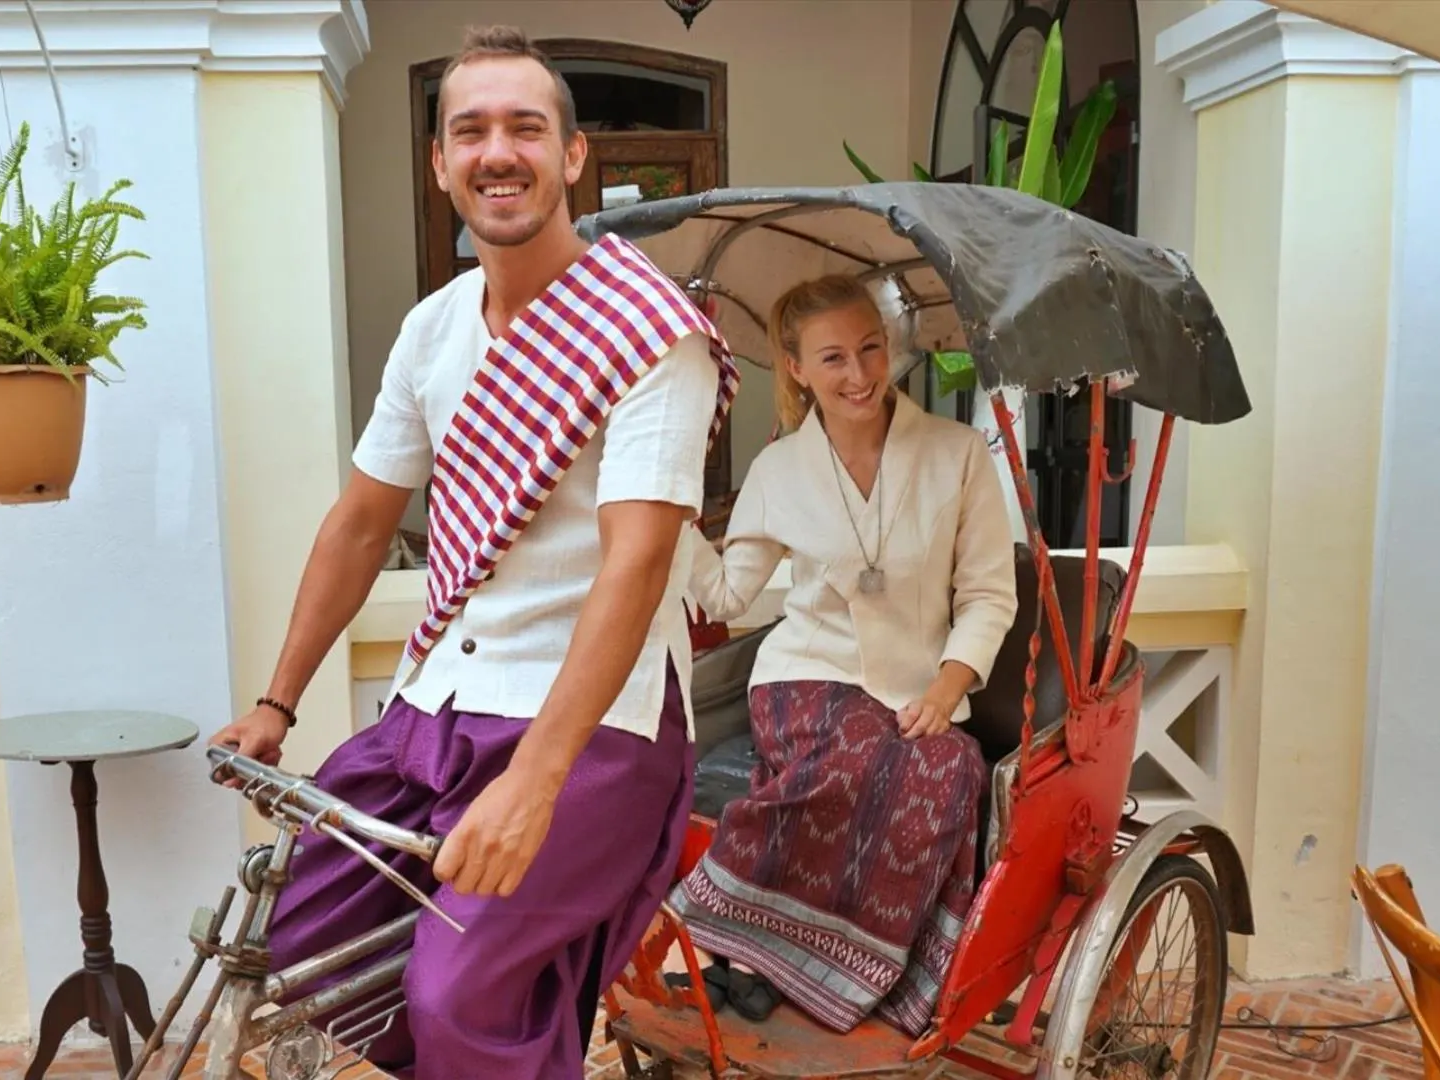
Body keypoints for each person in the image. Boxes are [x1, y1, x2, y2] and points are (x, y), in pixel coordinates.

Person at [207, 25, 738, 1079]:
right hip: (437, 703)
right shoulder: (432, 329)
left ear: (572, 157)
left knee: (457, 996)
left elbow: (635, 564)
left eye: (525, 128)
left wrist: (537, 783)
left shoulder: (649, 332)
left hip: (591, 728)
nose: (499, 151)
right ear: (441, 164)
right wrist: (277, 702)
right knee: (307, 943)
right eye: (472, 131)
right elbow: (361, 523)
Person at [665, 274, 1017, 1036]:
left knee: (953, 768)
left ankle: (799, 961)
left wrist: (946, 686)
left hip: (919, 684)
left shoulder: (956, 454)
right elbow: (727, 595)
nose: (858, 375)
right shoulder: (779, 470)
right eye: (833, 359)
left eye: (870, 349)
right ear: (795, 369)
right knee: (860, 750)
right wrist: (664, 515)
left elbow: (990, 594)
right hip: (803, 676)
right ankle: (752, 944)